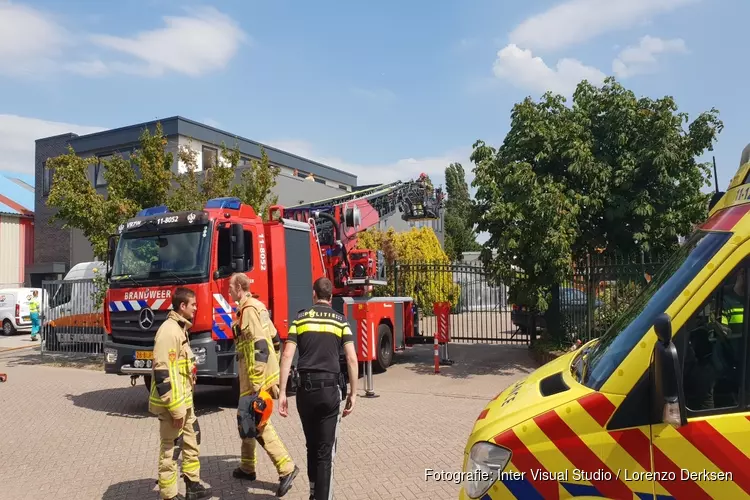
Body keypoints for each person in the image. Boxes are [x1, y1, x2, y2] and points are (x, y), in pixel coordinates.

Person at [278, 277, 358, 500]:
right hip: (330, 391)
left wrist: (282, 392)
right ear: (331, 297)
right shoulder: (341, 321)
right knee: (324, 452)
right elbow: (352, 359)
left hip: (306, 391)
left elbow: (287, 355)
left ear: (314, 294)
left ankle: (313, 492)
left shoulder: (300, 319)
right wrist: (353, 393)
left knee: (311, 445)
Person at [228, 273, 299, 497]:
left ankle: (286, 468)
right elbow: (275, 339)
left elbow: (259, 345)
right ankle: (247, 467)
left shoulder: (249, 310)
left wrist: (259, 380)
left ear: (239, 287)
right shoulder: (258, 307)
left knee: (257, 424)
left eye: (230, 287)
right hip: (257, 376)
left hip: (254, 378)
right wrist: (273, 371)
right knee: (245, 419)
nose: (228, 291)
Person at [149, 286, 210, 500]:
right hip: (174, 405)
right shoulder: (169, 331)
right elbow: (163, 373)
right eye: (193, 305)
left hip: (185, 403)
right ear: (182, 306)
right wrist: (175, 409)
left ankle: (192, 485)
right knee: (171, 448)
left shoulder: (180, 328)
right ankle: (169, 494)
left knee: (192, 440)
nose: (196, 308)